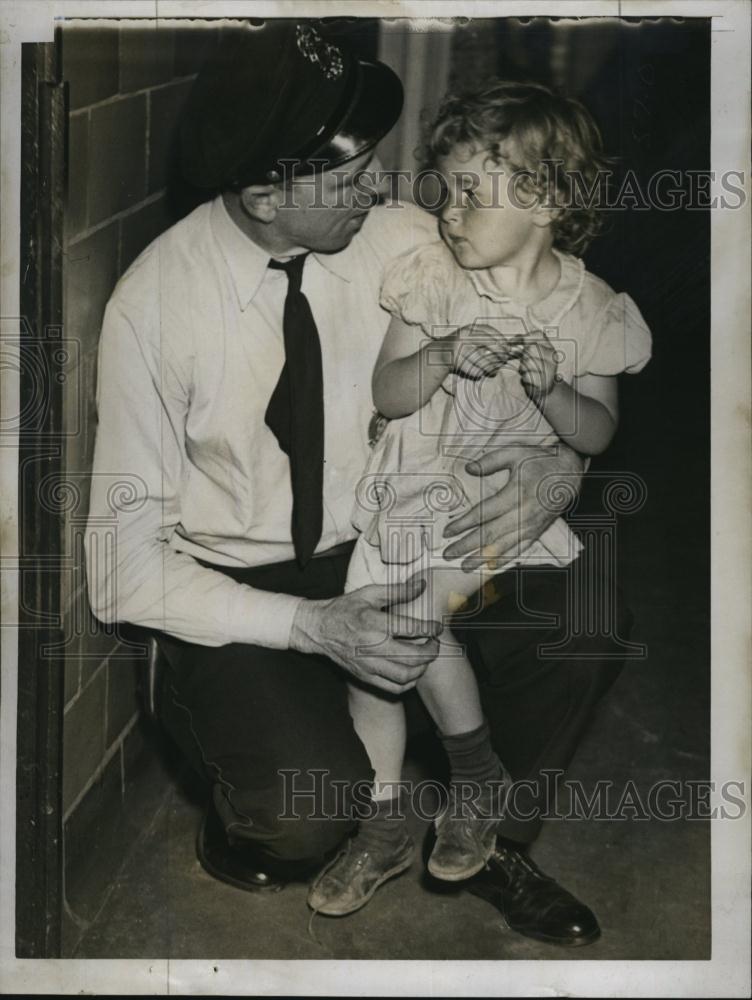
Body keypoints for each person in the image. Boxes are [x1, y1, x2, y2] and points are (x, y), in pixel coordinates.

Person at [86, 20, 631, 948]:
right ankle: (283, 789)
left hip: (403, 526)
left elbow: (559, 335)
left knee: (580, 624)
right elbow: (122, 569)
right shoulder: (154, 306)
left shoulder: (410, 239)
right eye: (345, 181)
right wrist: (312, 625)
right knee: (307, 808)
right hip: (252, 578)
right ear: (265, 193)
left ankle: (489, 832)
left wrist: (560, 462)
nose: (379, 190)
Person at [308, 80, 652, 910]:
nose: (449, 212)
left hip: (497, 508)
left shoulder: (593, 310)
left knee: (415, 617)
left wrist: (551, 394)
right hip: (410, 494)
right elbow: (389, 395)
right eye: (447, 190)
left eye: (470, 193)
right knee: (371, 652)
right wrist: (443, 355)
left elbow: (597, 434)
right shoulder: (432, 275)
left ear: (546, 200)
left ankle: (474, 775)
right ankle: (382, 821)